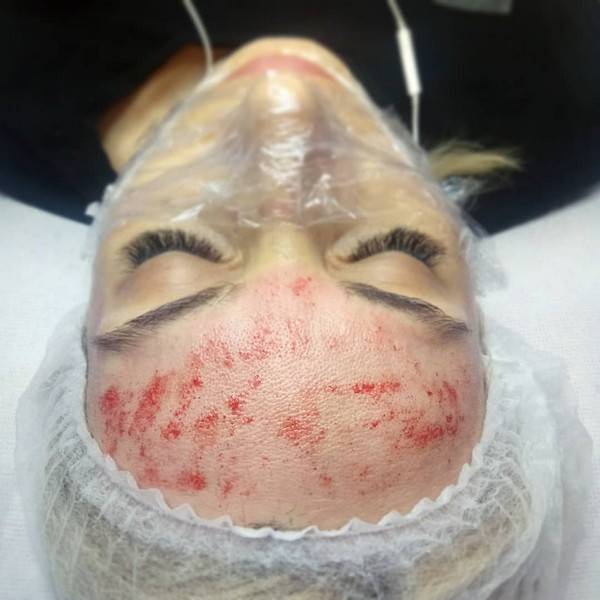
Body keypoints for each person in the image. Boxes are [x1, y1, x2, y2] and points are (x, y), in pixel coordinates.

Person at [18, 36, 584, 600]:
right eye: (398, 252)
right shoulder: (560, 93)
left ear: (84, 324)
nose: (286, 109)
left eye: (169, 251)